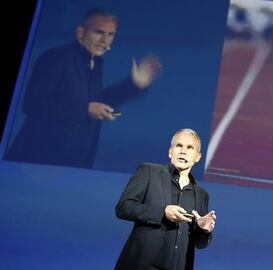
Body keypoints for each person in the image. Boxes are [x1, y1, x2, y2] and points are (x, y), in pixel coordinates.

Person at [5, 8, 161, 168]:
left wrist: (134, 85)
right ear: (81, 32)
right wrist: (84, 109)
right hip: (37, 164)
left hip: (70, 166)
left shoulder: (94, 63)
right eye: (99, 32)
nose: (105, 41)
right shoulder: (56, 57)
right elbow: (33, 103)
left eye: (111, 34)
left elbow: (96, 102)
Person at [115, 128, 216, 270]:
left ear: (198, 157)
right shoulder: (149, 172)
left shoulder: (201, 194)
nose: (183, 151)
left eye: (190, 147)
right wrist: (163, 213)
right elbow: (123, 207)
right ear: (170, 151)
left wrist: (204, 230)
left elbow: (199, 244)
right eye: (179, 145)